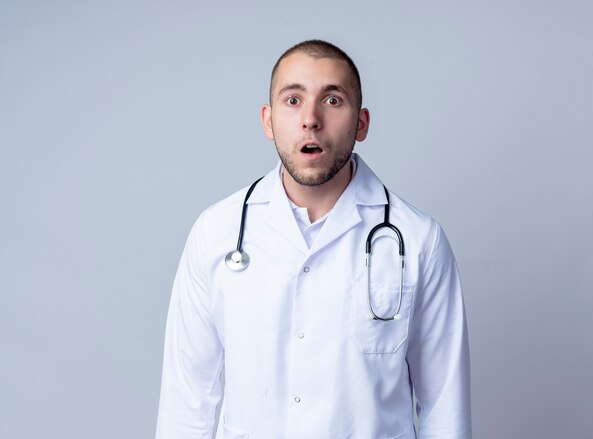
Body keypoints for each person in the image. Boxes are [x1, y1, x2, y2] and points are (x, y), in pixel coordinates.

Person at [156, 40, 471, 439]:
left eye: (333, 100)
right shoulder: (216, 232)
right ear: (268, 121)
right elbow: (187, 402)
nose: (311, 119)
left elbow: (445, 406)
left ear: (362, 123)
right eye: (293, 100)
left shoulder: (419, 240)